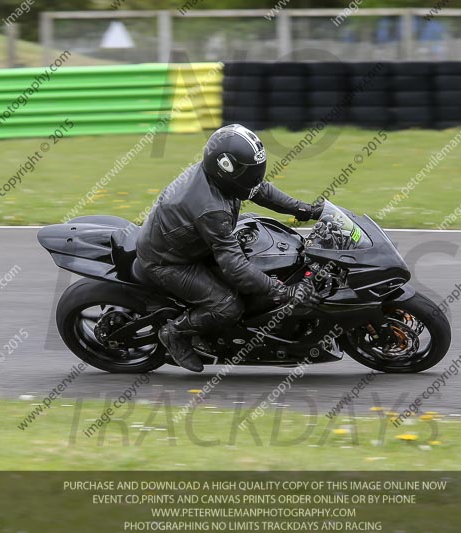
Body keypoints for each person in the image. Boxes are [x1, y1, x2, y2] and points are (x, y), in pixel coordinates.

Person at [136, 124, 324, 372]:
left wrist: (304, 209)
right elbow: (234, 266)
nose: (255, 176)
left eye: (257, 169)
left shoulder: (223, 180)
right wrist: (282, 291)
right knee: (228, 306)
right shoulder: (211, 208)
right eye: (250, 172)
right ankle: (174, 333)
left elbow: (260, 189)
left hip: (192, 243)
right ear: (226, 168)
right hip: (168, 262)